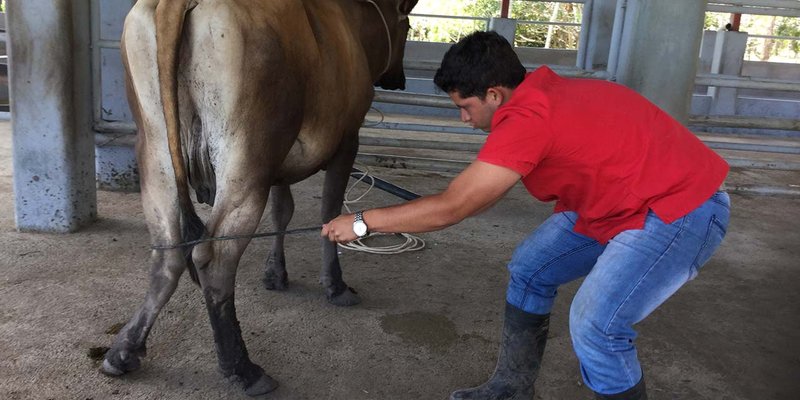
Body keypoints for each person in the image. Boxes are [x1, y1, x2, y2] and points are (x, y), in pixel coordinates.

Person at [322, 31, 730, 400]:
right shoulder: (542, 93)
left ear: (495, 95)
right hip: (613, 204)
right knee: (530, 270)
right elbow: (480, 197)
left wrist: (362, 222)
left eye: (465, 107)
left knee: (597, 327)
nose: (464, 120)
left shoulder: (529, 119)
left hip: (681, 209)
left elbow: (454, 207)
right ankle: (511, 389)